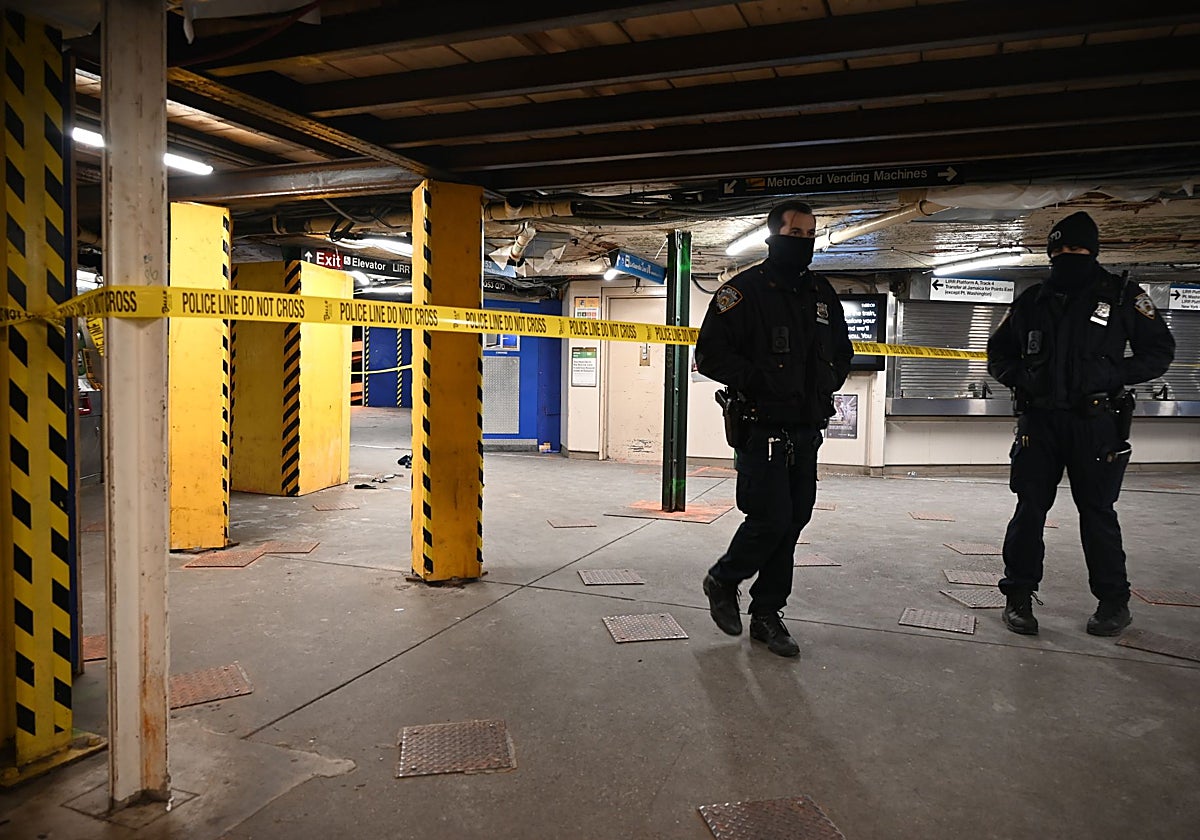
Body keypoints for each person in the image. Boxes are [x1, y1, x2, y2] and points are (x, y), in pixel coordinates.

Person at [987, 211, 1175, 637]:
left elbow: (1160, 351)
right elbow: (998, 354)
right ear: (1050, 253)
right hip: (1040, 423)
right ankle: (1018, 596)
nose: (1069, 256)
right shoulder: (1032, 300)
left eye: (1078, 248)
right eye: (1061, 250)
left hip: (1096, 422)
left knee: (1098, 512)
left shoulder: (1123, 296)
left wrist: (1113, 374)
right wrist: (1023, 377)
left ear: (1094, 251)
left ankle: (1113, 602)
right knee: (1030, 509)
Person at [695, 200, 853, 657]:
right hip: (760, 426)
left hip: (806, 428)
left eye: (810, 234)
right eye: (795, 233)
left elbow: (841, 349)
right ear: (773, 236)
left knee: (793, 521)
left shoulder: (821, 293)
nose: (803, 241)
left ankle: (767, 613)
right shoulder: (742, 292)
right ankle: (723, 579)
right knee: (771, 519)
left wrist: (829, 381)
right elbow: (709, 356)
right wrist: (760, 380)